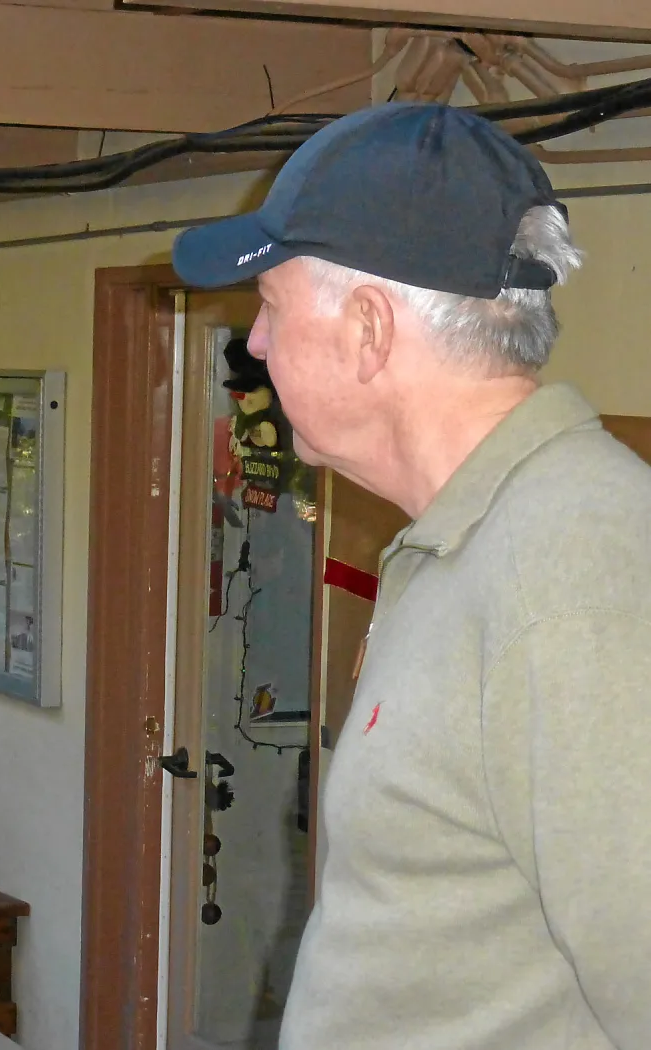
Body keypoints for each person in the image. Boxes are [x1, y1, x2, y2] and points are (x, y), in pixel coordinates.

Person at [172, 101, 651, 1049]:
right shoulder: (468, 538)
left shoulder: (574, 577)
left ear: (368, 329)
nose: (255, 347)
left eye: (269, 307)